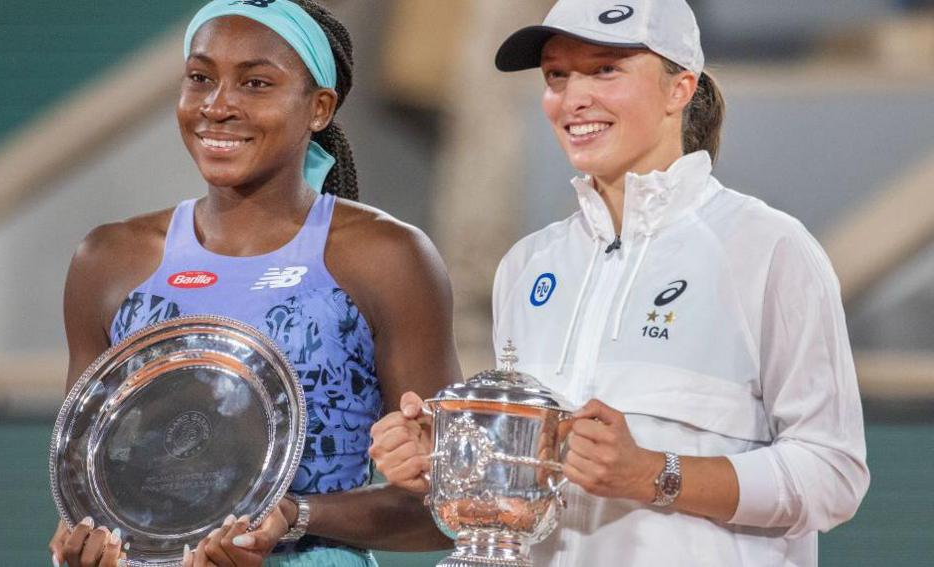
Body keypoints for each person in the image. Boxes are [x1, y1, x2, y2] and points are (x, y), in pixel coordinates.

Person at [367, 0, 870, 565]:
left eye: (605, 69)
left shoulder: (769, 248)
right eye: (557, 74)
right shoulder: (528, 265)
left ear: (680, 88)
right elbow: (531, 486)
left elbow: (833, 475)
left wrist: (655, 473)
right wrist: (449, 457)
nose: (573, 97)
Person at [47, 1, 460, 566]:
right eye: (200, 78)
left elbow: (450, 505)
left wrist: (295, 516)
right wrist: (84, 549)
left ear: (319, 108)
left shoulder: (387, 257)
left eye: (256, 83)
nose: (217, 106)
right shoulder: (107, 259)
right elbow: (95, 490)